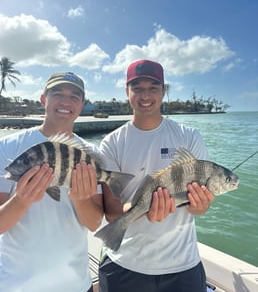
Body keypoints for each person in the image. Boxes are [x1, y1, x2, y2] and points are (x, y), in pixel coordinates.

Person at [98, 59, 215, 292]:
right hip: (125, 263)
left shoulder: (189, 136)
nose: (145, 95)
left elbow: (199, 208)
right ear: (126, 92)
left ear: (164, 91)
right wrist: (142, 208)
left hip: (183, 265)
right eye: (137, 88)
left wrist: (201, 204)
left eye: (153, 87)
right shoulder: (111, 143)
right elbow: (111, 212)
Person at [0, 72, 103, 292]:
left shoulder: (91, 154)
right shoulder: (6, 147)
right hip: (16, 285)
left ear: (82, 104)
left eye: (75, 96)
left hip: (77, 284)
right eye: (58, 94)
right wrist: (21, 200)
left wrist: (82, 200)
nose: (66, 101)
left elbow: (95, 223)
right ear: (43, 99)